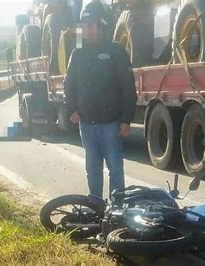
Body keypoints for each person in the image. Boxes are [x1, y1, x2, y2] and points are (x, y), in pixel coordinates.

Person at [63, 2, 137, 198]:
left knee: (115, 169)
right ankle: (95, 206)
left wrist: (126, 120)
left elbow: (128, 88)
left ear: (102, 25)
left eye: (92, 24)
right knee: (92, 169)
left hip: (111, 125)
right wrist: (71, 110)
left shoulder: (116, 51)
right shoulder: (78, 53)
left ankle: (117, 208)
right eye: (85, 24)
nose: (88, 28)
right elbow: (69, 84)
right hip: (86, 125)